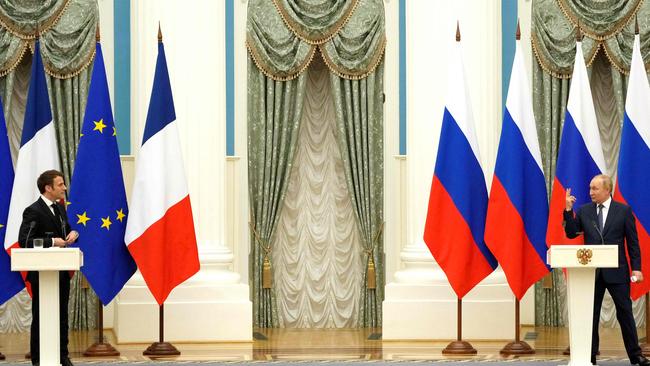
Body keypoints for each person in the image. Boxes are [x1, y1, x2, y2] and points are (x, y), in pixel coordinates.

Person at [564, 174, 649, 366]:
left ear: (607, 190)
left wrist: (637, 268)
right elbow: (571, 234)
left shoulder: (623, 211)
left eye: (595, 189)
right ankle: (589, 356)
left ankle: (636, 356)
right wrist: (568, 210)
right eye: (590, 188)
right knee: (590, 315)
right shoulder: (584, 211)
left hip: (617, 271)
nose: (590, 192)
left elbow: (633, 243)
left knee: (625, 313)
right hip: (591, 273)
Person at [18, 170, 79, 366]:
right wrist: (52, 241)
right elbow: (24, 240)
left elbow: (66, 230)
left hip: (60, 271)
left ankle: (62, 355)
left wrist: (73, 234)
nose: (64, 188)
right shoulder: (33, 211)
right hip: (41, 274)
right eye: (60, 184)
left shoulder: (60, 209)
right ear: (48, 188)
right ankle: (38, 359)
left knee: (61, 316)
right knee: (41, 317)